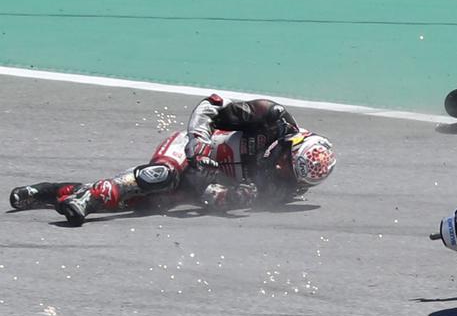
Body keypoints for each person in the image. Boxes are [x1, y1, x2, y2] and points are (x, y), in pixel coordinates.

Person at [9, 94, 336, 226]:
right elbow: (210, 107)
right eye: (285, 161)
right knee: (160, 175)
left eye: (290, 175)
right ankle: (86, 200)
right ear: (291, 142)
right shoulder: (271, 116)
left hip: (198, 186)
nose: (279, 170)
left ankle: (47, 193)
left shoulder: (283, 190)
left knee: (137, 203)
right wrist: (200, 145)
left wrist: (229, 197)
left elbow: (213, 201)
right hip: (190, 149)